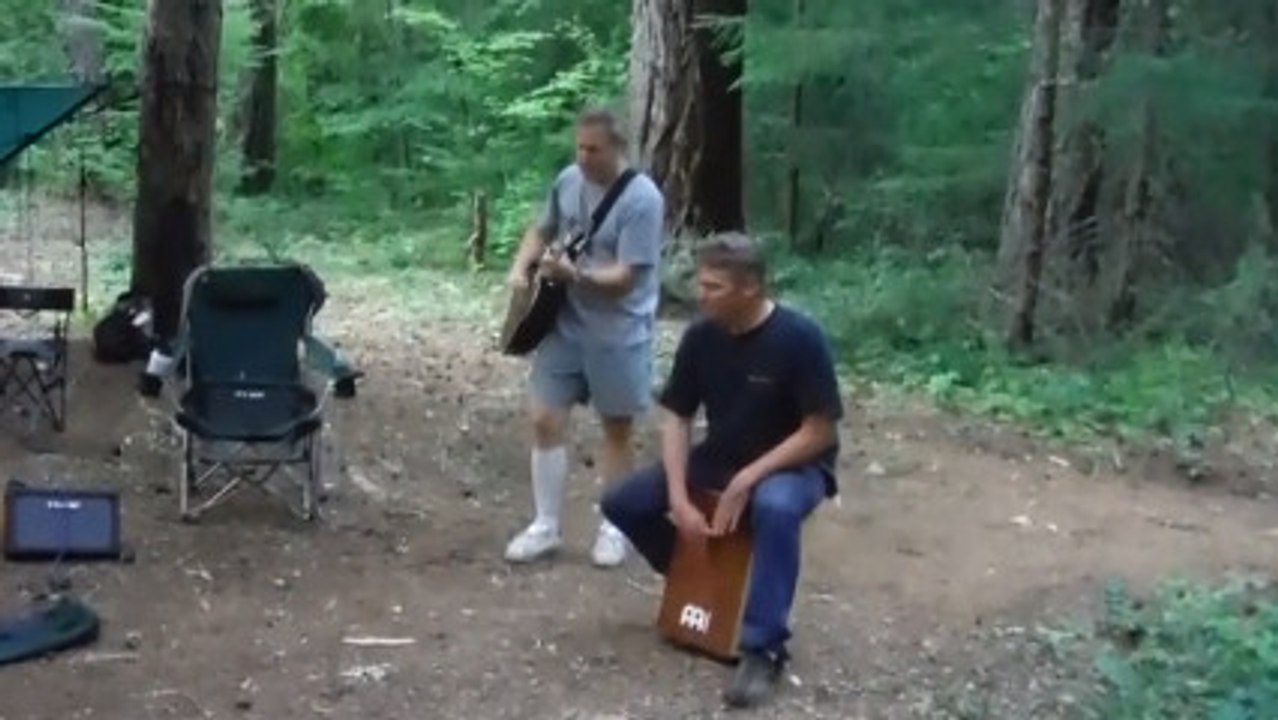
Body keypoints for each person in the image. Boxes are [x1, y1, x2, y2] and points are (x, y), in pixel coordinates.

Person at [600, 232, 843, 709]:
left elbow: (820, 431)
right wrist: (677, 496)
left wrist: (749, 477)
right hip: (720, 456)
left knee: (774, 506)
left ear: (749, 287)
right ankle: (704, 583)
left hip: (794, 465)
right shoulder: (702, 336)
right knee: (622, 501)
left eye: (713, 286)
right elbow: (677, 416)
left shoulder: (798, 338)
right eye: (701, 283)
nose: (700, 294)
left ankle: (763, 647)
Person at [503, 107, 666, 568]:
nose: (583, 156)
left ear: (617, 148)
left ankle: (615, 528)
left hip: (618, 331)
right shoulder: (568, 180)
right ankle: (545, 525)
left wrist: (577, 274)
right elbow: (542, 228)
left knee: (616, 430)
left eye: (593, 149)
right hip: (564, 323)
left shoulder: (642, 199)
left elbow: (627, 277)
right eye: (579, 146)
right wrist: (521, 269)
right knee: (543, 418)